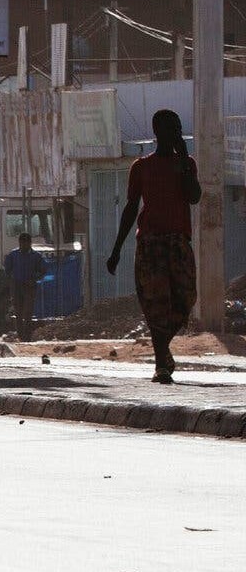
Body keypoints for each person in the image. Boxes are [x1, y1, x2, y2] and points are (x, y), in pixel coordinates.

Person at [108, 109, 203, 383]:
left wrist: (184, 160)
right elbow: (130, 209)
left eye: (178, 128)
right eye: (171, 128)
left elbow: (194, 196)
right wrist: (116, 251)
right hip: (150, 244)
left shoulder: (187, 164)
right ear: (157, 132)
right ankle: (161, 361)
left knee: (185, 299)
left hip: (178, 242)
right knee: (155, 303)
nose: (176, 133)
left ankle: (163, 352)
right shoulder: (141, 167)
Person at [4, 232, 43, 342]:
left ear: (30, 243)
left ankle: (27, 335)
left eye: (27, 243)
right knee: (18, 312)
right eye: (22, 243)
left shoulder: (36, 256)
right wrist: (12, 279)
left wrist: (34, 278)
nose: (24, 245)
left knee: (28, 312)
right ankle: (21, 335)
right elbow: (7, 269)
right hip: (17, 286)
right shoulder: (13, 255)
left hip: (29, 287)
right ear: (20, 243)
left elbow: (43, 270)